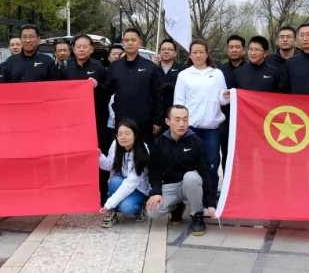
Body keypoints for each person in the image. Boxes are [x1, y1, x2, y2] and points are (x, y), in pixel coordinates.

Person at [146, 105, 217, 236]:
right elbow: (154, 171)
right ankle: (177, 207)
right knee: (152, 211)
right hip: (170, 185)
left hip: (190, 185)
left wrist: (210, 203)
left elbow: (205, 173)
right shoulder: (159, 143)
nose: (182, 124)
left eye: (185, 119)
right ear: (168, 121)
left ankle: (197, 215)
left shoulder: (196, 142)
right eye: (177, 119)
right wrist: (156, 192)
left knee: (191, 177)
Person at [174, 39, 230, 187]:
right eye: (195, 52)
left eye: (201, 52)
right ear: (190, 55)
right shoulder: (184, 75)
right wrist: (179, 123)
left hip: (211, 128)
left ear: (207, 54)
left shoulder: (217, 74)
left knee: (211, 162)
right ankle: (191, 194)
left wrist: (227, 96)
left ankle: (210, 194)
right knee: (189, 161)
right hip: (190, 128)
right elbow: (178, 102)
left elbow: (222, 100)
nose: (198, 55)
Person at [63, 33, 111, 203]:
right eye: (78, 47)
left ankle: (103, 194)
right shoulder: (66, 69)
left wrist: (97, 86)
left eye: (85, 46)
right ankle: (77, 194)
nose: (81, 49)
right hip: (73, 123)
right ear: (73, 49)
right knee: (76, 157)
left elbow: (109, 93)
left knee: (98, 155)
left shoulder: (100, 68)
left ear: (91, 49)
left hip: (97, 121)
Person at [103, 28, 162, 144]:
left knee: (144, 152)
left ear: (139, 42)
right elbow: (106, 92)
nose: (130, 43)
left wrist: (157, 121)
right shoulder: (115, 67)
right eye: (127, 40)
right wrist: (114, 114)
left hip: (144, 121)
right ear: (123, 43)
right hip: (122, 120)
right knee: (122, 151)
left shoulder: (149, 66)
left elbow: (157, 95)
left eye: (133, 40)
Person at [98, 119, 150, 226]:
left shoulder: (142, 151)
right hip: (122, 182)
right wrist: (99, 156)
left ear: (135, 135)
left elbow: (131, 183)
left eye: (127, 133)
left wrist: (109, 203)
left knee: (126, 208)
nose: (123, 137)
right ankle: (112, 213)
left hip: (138, 188)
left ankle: (140, 208)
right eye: (120, 134)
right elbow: (108, 165)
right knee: (115, 180)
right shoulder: (115, 144)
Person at [217, 35, 247, 172]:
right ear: (227, 50)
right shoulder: (220, 71)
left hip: (247, 121)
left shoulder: (250, 69)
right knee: (227, 154)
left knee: (246, 156)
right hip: (225, 120)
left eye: (237, 47)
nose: (234, 50)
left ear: (244, 50)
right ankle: (226, 183)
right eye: (231, 47)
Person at [155, 39, 183, 120]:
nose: (166, 51)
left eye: (170, 49)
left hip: (175, 113)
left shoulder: (182, 69)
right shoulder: (153, 69)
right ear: (159, 52)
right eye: (163, 49)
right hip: (156, 113)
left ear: (175, 53)